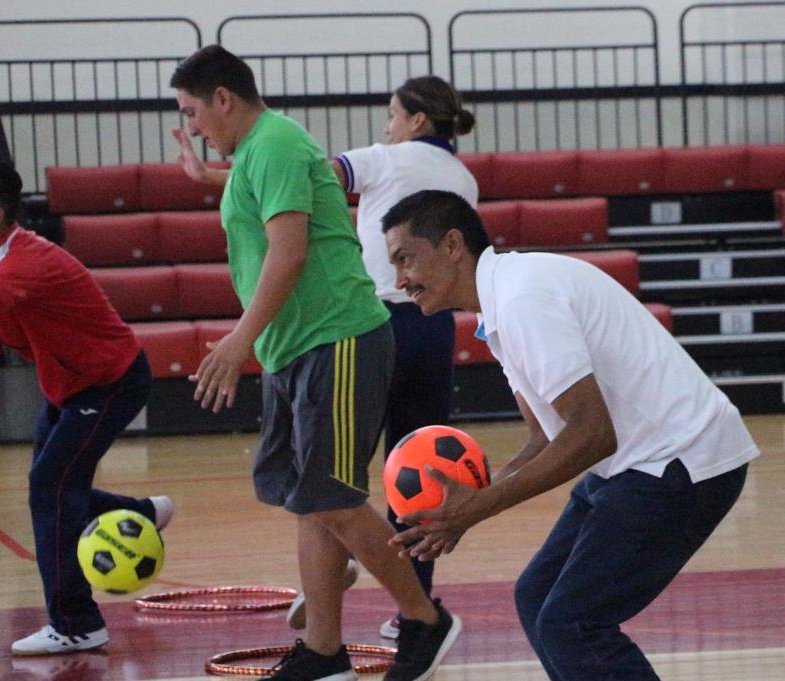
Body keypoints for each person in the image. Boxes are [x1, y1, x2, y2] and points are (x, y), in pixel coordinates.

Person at [381, 189, 760, 681]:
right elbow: (546, 436)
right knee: (537, 596)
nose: (399, 279)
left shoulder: (522, 300)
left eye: (405, 259)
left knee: (572, 622)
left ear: (453, 245)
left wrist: (476, 507)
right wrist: (464, 507)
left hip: (683, 463)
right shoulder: (500, 304)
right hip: (634, 462)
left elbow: (590, 436)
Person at [170, 45, 460, 681]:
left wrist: (240, 339)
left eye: (193, 111)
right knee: (310, 500)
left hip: (338, 337)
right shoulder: (256, 153)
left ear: (223, 99)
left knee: (331, 495)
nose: (192, 125)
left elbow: (290, 253)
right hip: (296, 345)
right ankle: (325, 651)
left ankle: (425, 619)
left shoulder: (274, 142)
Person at [0, 158, 173, 656]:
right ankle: (141, 512)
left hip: (107, 381)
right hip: (65, 387)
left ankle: (76, 622)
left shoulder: (30, 258)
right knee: (56, 485)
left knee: (50, 488)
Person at [285, 75, 479, 640]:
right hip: (435, 325)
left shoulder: (379, 158)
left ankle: (334, 561)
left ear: (417, 120)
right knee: (419, 468)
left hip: (371, 325)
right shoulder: (463, 178)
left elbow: (304, 177)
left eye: (392, 114)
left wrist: (218, 175)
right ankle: (414, 609)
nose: (386, 125)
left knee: (336, 466)